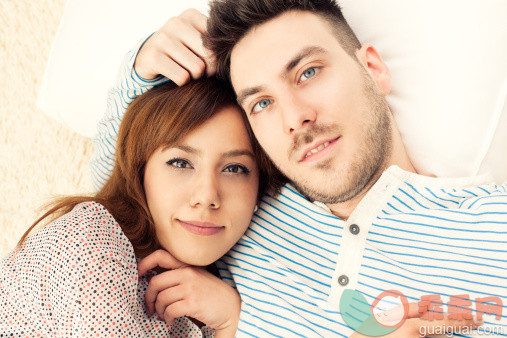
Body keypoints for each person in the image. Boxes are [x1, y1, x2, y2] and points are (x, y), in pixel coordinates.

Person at [92, 1, 507, 337]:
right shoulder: (243, 208)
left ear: (373, 69)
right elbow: (123, 183)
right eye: (262, 103)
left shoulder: (494, 231)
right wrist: (143, 68)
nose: (294, 118)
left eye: (307, 72)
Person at [0, 55, 284, 336]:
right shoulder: (90, 242)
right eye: (180, 163)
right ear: (139, 171)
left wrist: (229, 320)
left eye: (235, 168)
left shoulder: (212, 298)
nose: (207, 196)